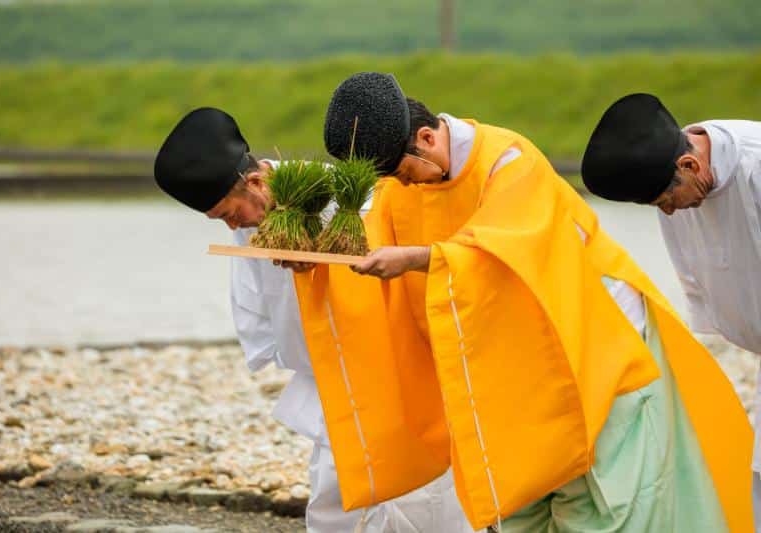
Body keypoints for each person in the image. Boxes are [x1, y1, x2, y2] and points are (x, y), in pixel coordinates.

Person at [289, 72, 753, 531]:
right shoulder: (402, 188)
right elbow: (371, 247)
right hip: (512, 361)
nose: (403, 185)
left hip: (591, 343)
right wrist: (319, 260)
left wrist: (416, 258)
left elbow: (504, 253)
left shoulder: (509, 161)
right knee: (520, 502)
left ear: (427, 138)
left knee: (609, 504)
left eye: (403, 173)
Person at [153, 106, 477, 532]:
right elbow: (261, 305)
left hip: (399, 373)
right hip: (333, 380)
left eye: (230, 213)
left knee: (425, 501)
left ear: (255, 182)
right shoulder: (256, 219)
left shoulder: (349, 199)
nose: (233, 226)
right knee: (334, 502)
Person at [581, 92, 761, 531]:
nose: (666, 210)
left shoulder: (754, 168)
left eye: (665, 199)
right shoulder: (678, 189)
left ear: (690, 165)